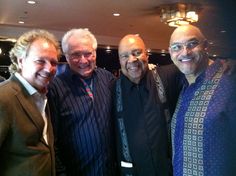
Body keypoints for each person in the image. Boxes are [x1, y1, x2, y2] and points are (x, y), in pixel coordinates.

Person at [48, 28, 117, 176]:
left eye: (87, 53)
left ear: (95, 53)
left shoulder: (108, 79)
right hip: (76, 171)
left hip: (111, 170)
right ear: (66, 56)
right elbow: (52, 139)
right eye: (75, 55)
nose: (83, 60)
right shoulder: (55, 88)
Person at [169, 24, 236, 176]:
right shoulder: (182, 85)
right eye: (176, 47)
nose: (185, 52)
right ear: (170, 52)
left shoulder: (230, 83)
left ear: (205, 46)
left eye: (192, 44)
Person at [113, 34, 182, 175]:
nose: (132, 60)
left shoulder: (167, 76)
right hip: (133, 172)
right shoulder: (112, 89)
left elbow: (193, 65)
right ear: (119, 61)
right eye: (125, 56)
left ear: (147, 55)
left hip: (169, 170)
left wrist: (224, 65)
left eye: (137, 53)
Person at [0, 29, 61, 175]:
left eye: (53, 62)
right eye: (40, 61)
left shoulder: (42, 95)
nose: (49, 69)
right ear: (21, 61)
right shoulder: (4, 97)